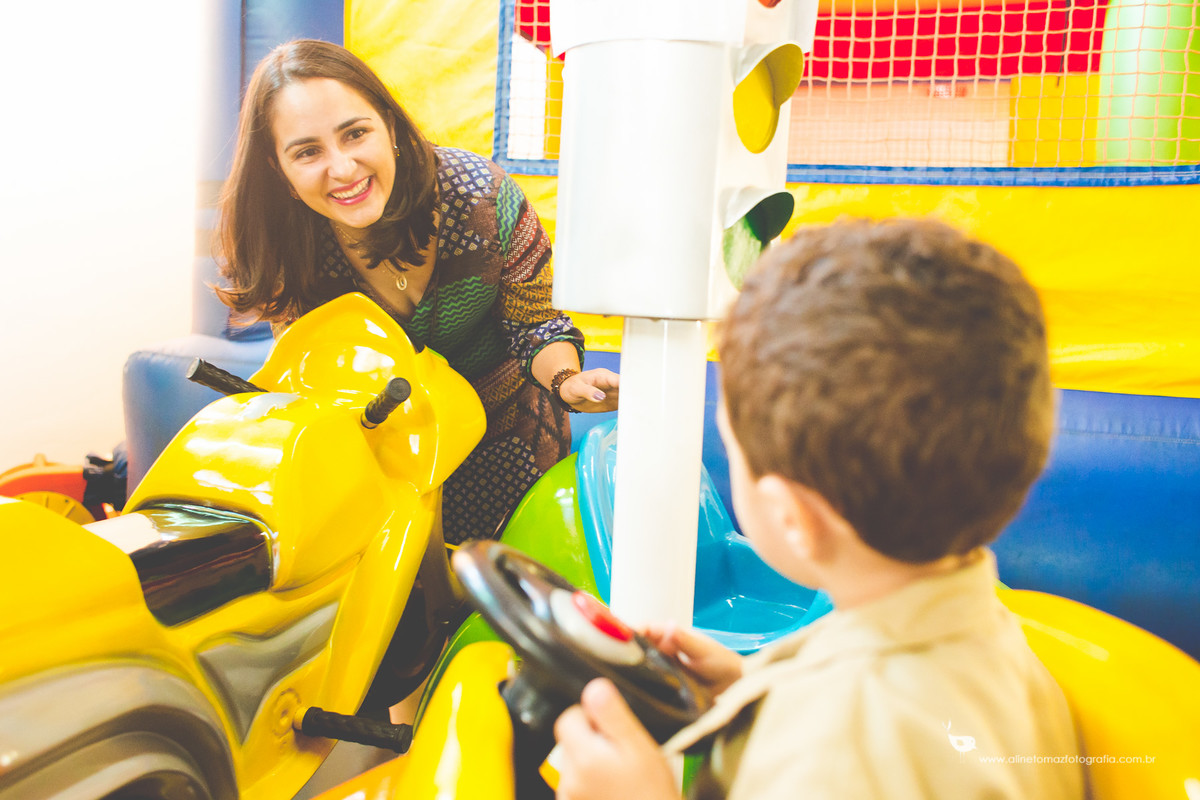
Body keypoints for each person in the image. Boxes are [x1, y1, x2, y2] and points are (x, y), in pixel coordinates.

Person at [552, 218, 1086, 799]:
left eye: (734, 451)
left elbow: (853, 750)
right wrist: (754, 690)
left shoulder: (832, 756)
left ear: (793, 518)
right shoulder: (990, 645)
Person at [215, 39, 618, 545]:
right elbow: (316, 373)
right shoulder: (287, 246)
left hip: (507, 447)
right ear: (280, 169)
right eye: (308, 152)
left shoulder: (484, 199)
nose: (342, 169)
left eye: (355, 133)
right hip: (381, 464)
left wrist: (566, 381)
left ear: (388, 125)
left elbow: (535, 326)